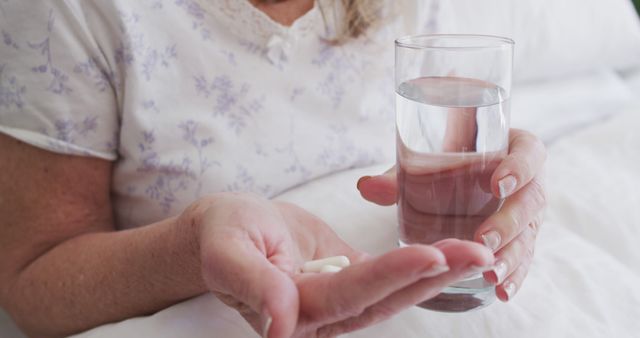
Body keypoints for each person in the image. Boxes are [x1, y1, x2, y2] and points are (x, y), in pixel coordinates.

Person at [0, 0, 546, 337]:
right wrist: (193, 247)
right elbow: (31, 281)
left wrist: (493, 168)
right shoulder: (72, 11)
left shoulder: (405, 8)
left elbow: (442, 140)